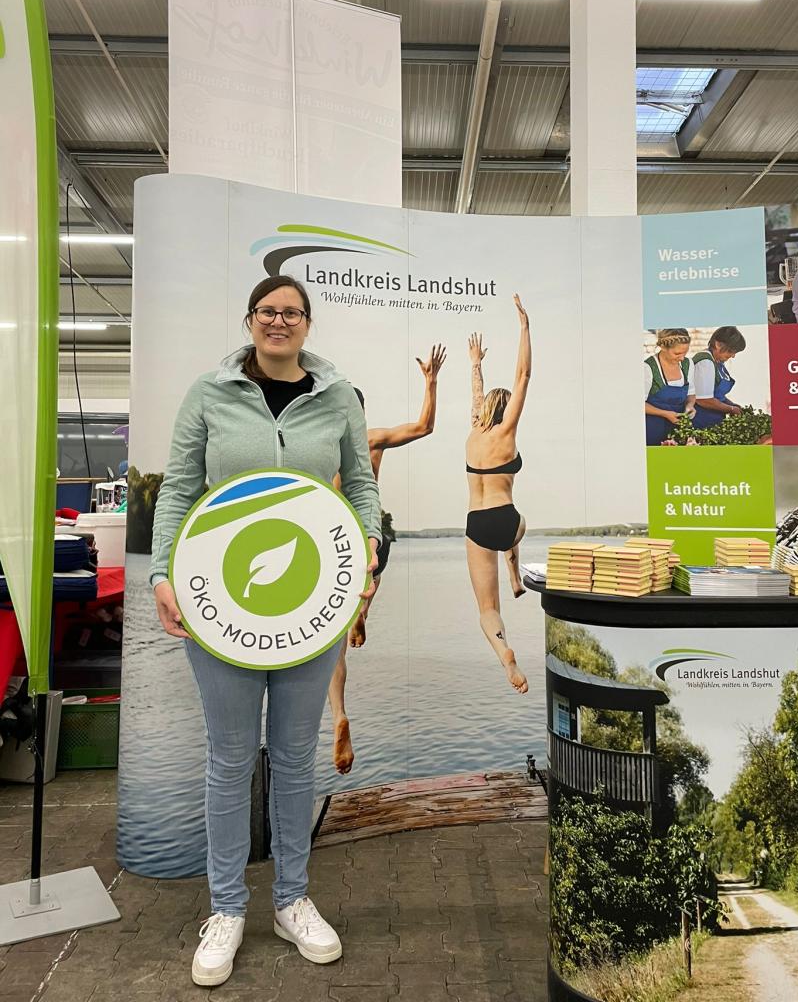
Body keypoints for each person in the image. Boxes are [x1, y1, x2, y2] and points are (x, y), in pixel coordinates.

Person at [150, 274, 381, 988]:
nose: (279, 322)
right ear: (251, 320)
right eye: (267, 311)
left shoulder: (337, 395)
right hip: (222, 605)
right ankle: (225, 908)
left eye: (292, 313)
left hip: (313, 608)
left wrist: (368, 545)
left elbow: (362, 483)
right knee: (227, 758)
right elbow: (179, 487)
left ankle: (290, 899)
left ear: (308, 325)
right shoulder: (208, 394)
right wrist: (162, 573)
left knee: (292, 754)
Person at [329, 345, 447, 775]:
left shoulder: (320, 451)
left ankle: (339, 713)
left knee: (334, 648)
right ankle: (364, 609)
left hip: (334, 543)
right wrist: (430, 381)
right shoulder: (372, 440)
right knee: (372, 573)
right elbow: (423, 427)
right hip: (372, 537)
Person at [465, 295, 531, 695]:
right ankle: (514, 572)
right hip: (509, 522)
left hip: (476, 525)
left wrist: (475, 363)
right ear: (506, 412)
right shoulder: (507, 434)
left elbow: (478, 395)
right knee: (520, 525)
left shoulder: (474, 432)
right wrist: (524, 327)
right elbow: (522, 376)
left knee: (487, 610)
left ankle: (505, 652)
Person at [644, 329, 695, 446]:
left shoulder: (688, 364)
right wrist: (665, 414)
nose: (682, 358)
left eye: (685, 353)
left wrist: (690, 406)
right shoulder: (648, 367)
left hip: (678, 428)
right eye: (677, 353)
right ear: (663, 347)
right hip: (653, 428)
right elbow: (638, 404)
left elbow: (691, 393)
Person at [692, 326, 746, 430]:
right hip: (701, 421)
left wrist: (732, 404)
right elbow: (703, 400)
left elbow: (716, 395)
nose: (733, 356)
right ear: (718, 344)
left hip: (714, 420)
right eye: (731, 351)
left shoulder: (717, 361)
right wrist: (730, 409)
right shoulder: (705, 362)